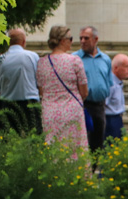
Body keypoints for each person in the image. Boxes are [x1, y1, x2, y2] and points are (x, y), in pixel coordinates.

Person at [36, 25, 88, 153]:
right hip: (72, 110)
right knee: (74, 147)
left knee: (53, 146)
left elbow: (41, 90)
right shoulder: (75, 61)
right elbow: (84, 91)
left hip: (50, 111)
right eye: (70, 38)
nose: (72, 42)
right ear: (62, 41)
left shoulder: (42, 62)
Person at [0, 28, 42, 133]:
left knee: (10, 138)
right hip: (29, 102)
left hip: (8, 103)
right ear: (23, 41)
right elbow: (40, 81)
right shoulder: (32, 56)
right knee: (34, 136)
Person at [74, 26, 112, 152]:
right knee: (83, 142)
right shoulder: (75, 59)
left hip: (100, 106)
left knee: (98, 143)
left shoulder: (105, 59)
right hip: (83, 106)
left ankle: (92, 169)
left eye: (86, 38)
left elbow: (108, 82)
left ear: (95, 39)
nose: (82, 41)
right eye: (81, 38)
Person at [104, 53, 128, 141]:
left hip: (117, 119)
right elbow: (103, 103)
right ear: (116, 68)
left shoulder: (118, 82)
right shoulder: (110, 84)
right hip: (110, 121)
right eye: (126, 66)